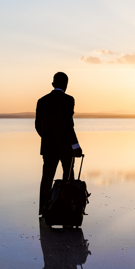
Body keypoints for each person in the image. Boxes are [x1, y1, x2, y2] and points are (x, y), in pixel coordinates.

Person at [36, 72, 83, 215]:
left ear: (53, 84)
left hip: (48, 146)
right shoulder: (68, 100)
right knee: (68, 178)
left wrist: (47, 138)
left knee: (47, 178)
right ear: (65, 84)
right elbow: (68, 125)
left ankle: (44, 210)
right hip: (65, 146)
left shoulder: (42, 100)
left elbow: (38, 125)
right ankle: (68, 210)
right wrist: (75, 146)